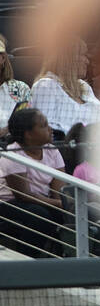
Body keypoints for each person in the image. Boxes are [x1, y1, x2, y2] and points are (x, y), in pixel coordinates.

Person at [0, 107, 67, 258]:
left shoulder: (52, 150)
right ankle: (26, 261)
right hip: (8, 203)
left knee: (70, 213)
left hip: (41, 200)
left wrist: (62, 205)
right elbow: (23, 195)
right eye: (44, 125)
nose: (50, 129)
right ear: (28, 134)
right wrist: (58, 204)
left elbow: (59, 191)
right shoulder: (13, 154)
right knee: (39, 216)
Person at [29, 39, 100, 134]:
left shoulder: (83, 86)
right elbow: (43, 130)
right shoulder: (45, 86)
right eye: (83, 55)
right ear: (68, 58)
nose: (87, 61)